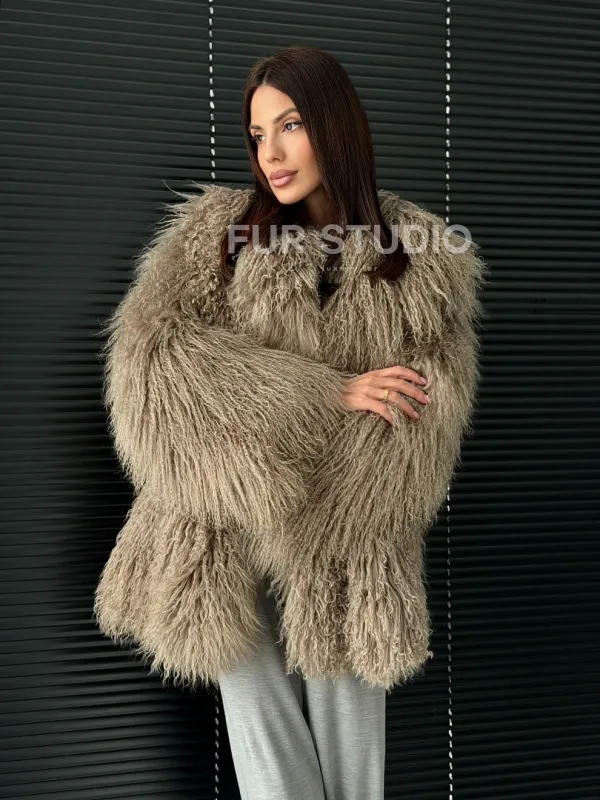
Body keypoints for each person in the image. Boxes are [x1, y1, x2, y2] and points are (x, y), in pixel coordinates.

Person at [93, 44, 488, 800]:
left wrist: (311, 496)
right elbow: (153, 364)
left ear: (334, 125)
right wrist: (326, 394)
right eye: (257, 134)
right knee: (267, 758)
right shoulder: (217, 233)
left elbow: (420, 424)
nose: (269, 153)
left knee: (353, 770)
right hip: (219, 529)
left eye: (291, 125)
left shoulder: (423, 259)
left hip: (349, 542)